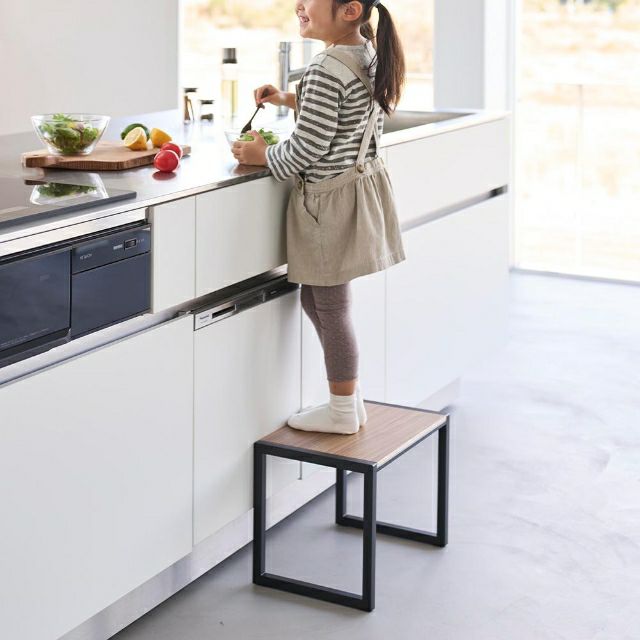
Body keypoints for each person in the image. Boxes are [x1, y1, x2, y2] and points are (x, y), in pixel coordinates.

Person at [232, 0, 406, 435]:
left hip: (328, 202)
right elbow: (342, 111)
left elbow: (306, 148)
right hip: (356, 188)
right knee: (319, 302)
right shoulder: (365, 52)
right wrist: (286, 98)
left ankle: (342, 410)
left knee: (331, 307)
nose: (299, 5)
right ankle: (349, 400)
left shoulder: (325, 67)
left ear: (349, 10)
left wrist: (261, 155)